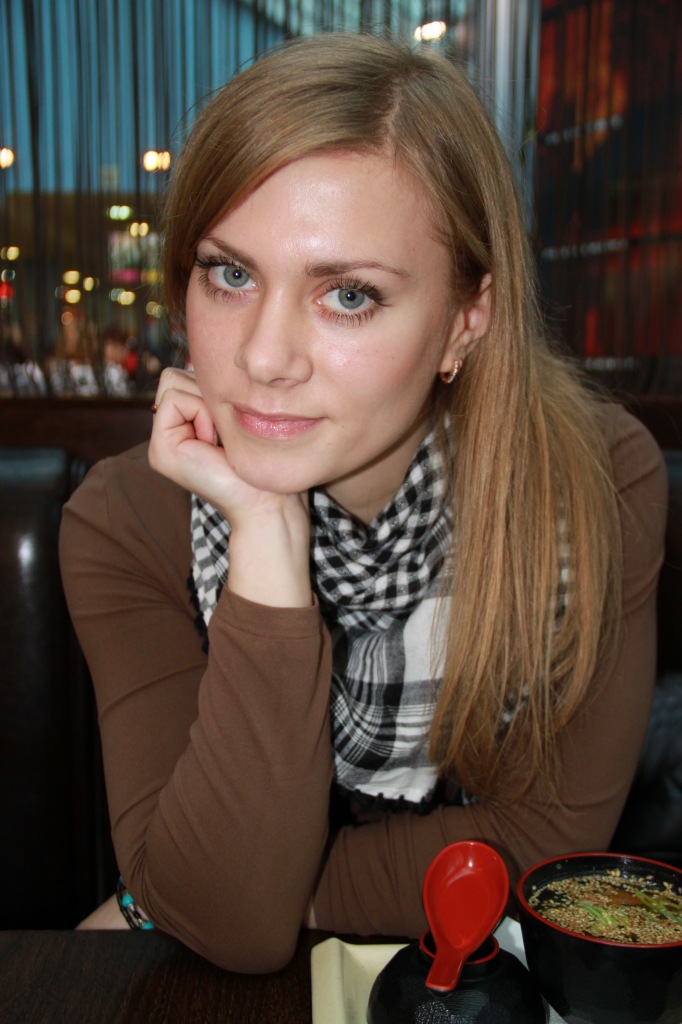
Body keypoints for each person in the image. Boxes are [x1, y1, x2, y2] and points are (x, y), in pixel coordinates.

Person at [59, 33, 667, 972]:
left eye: (347, 294)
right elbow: (230, 927)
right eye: (230, 273)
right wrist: (265, 534)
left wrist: (238, 889)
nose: (264, 357)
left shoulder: (596, 482)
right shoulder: (127, 521)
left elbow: (545, 840)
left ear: (465, 322)